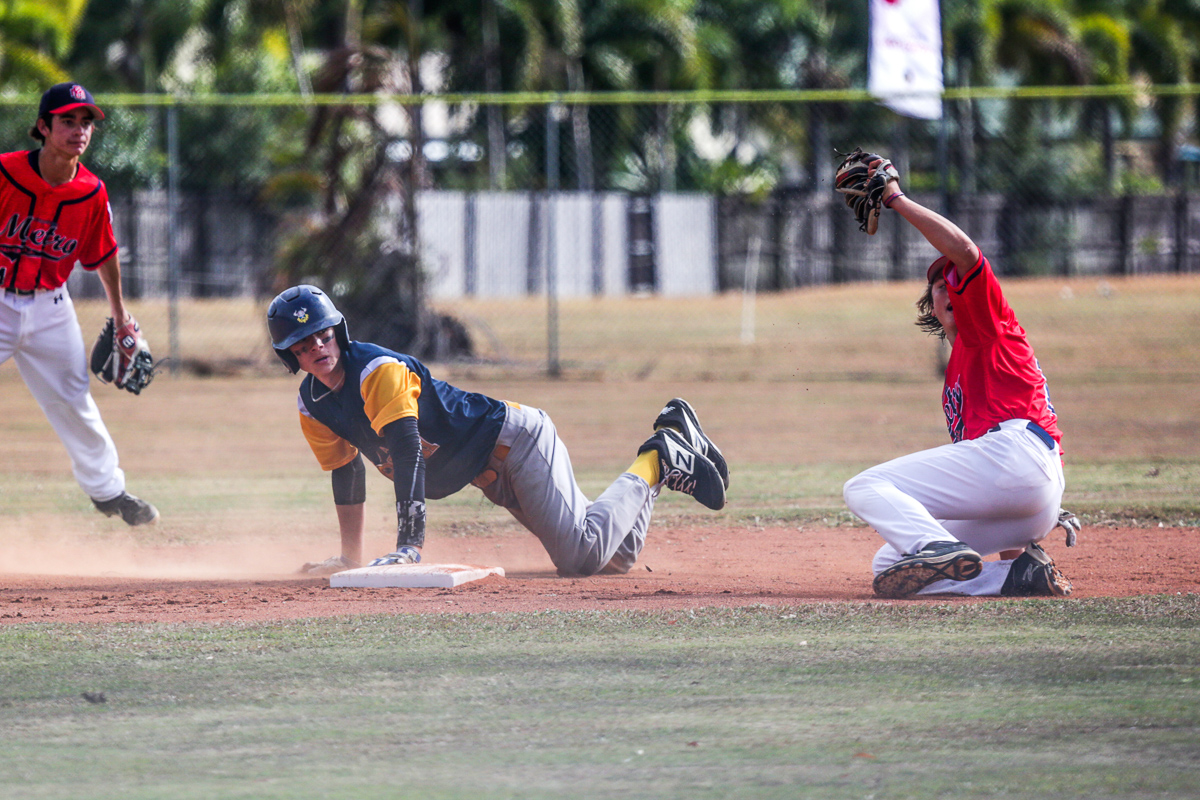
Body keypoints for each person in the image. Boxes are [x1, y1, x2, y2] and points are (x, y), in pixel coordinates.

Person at [267, 285, 729, 576]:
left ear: (338, 332)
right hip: (490, 473)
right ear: (290, 356)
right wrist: (351, 558)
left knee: (580, 559)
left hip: (518, 443)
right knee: (615, 559)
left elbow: (406, 450)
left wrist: (409, 546)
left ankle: (662, 455)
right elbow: (346, 476)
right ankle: (665, 444)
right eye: (304, 344)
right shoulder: (313, 406)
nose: (318, 347)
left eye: (324, 334)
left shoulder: (376, 371)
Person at [841, 157, 1075, 598]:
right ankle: (1018, 578)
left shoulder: (990, 327)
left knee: (865, 486)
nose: (949, 286)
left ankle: (938, 546)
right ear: (930, 303)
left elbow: (966, 253)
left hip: (1021, 456)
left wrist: (894, 198)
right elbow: (982, 482)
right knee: (891, 565)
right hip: (1028, 497)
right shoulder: (955, 379)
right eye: (938, 283)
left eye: (955, 281)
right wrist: (1022, 530)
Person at [0, 83, 157, 526]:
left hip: (51, 307)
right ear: (43, 126)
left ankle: (109, 493)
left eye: (85, 121)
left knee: (74, 400)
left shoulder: (90, 191)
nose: (79, 130)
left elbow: (102, 254)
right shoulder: (5, 172)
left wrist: (121, 315)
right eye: (67, 120)